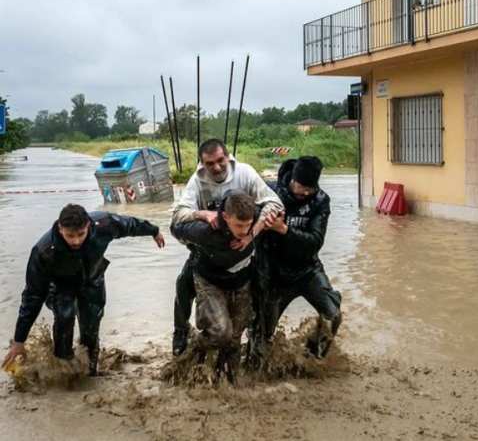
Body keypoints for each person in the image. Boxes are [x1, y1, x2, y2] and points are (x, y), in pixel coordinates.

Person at [1, 204, 165, 376]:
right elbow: (32, 296)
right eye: (70, 235)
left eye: (81, 234)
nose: (76, 241)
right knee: (65, 315)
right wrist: (19, 341)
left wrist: (153, 231)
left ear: (88, 225)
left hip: (92, 280)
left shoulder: (104, 225)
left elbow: (130, 224)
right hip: (60, 287)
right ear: (60, 228)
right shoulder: (44, 251)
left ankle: (90, 372)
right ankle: (64, 369)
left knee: (91, 324)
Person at [171, 138, 283, 356]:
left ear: (228, 157)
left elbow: (275, 203)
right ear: (202, 164)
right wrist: (202, 214)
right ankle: (182, 332)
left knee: (263, 289)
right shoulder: (197, 181)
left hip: (245, 253)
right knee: (184, 283)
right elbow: (177, 219)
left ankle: (258, 339)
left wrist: (251, 232)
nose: (217, 167)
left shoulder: (245, 173)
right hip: (208, 246)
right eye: (210, 163)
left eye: (220, 160)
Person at [250, 156, 341, 367]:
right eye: (301, 187)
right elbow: (245, 225)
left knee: (333, 315)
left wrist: (283, 230)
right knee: (261, 336)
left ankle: (312, 358)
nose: (305, 193)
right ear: (292, 179)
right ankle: (256, 369)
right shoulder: (268, 193)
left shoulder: (320, 200)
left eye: (311, 188)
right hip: (273, 275)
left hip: (307, 270)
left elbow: (315, 242)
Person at [171, 191, 259, 383]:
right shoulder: (205, 231)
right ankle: (193, 346)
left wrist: (253, 233)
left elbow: (275, 207)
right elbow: (175, 227)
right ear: (226, 217)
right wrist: (200, 216)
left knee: (235, 338)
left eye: (248, 225)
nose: (244, 231)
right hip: (209, 280)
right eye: (239, 225)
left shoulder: (256, 221)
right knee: (221, 332)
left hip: (241, 281)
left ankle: (229, 382)